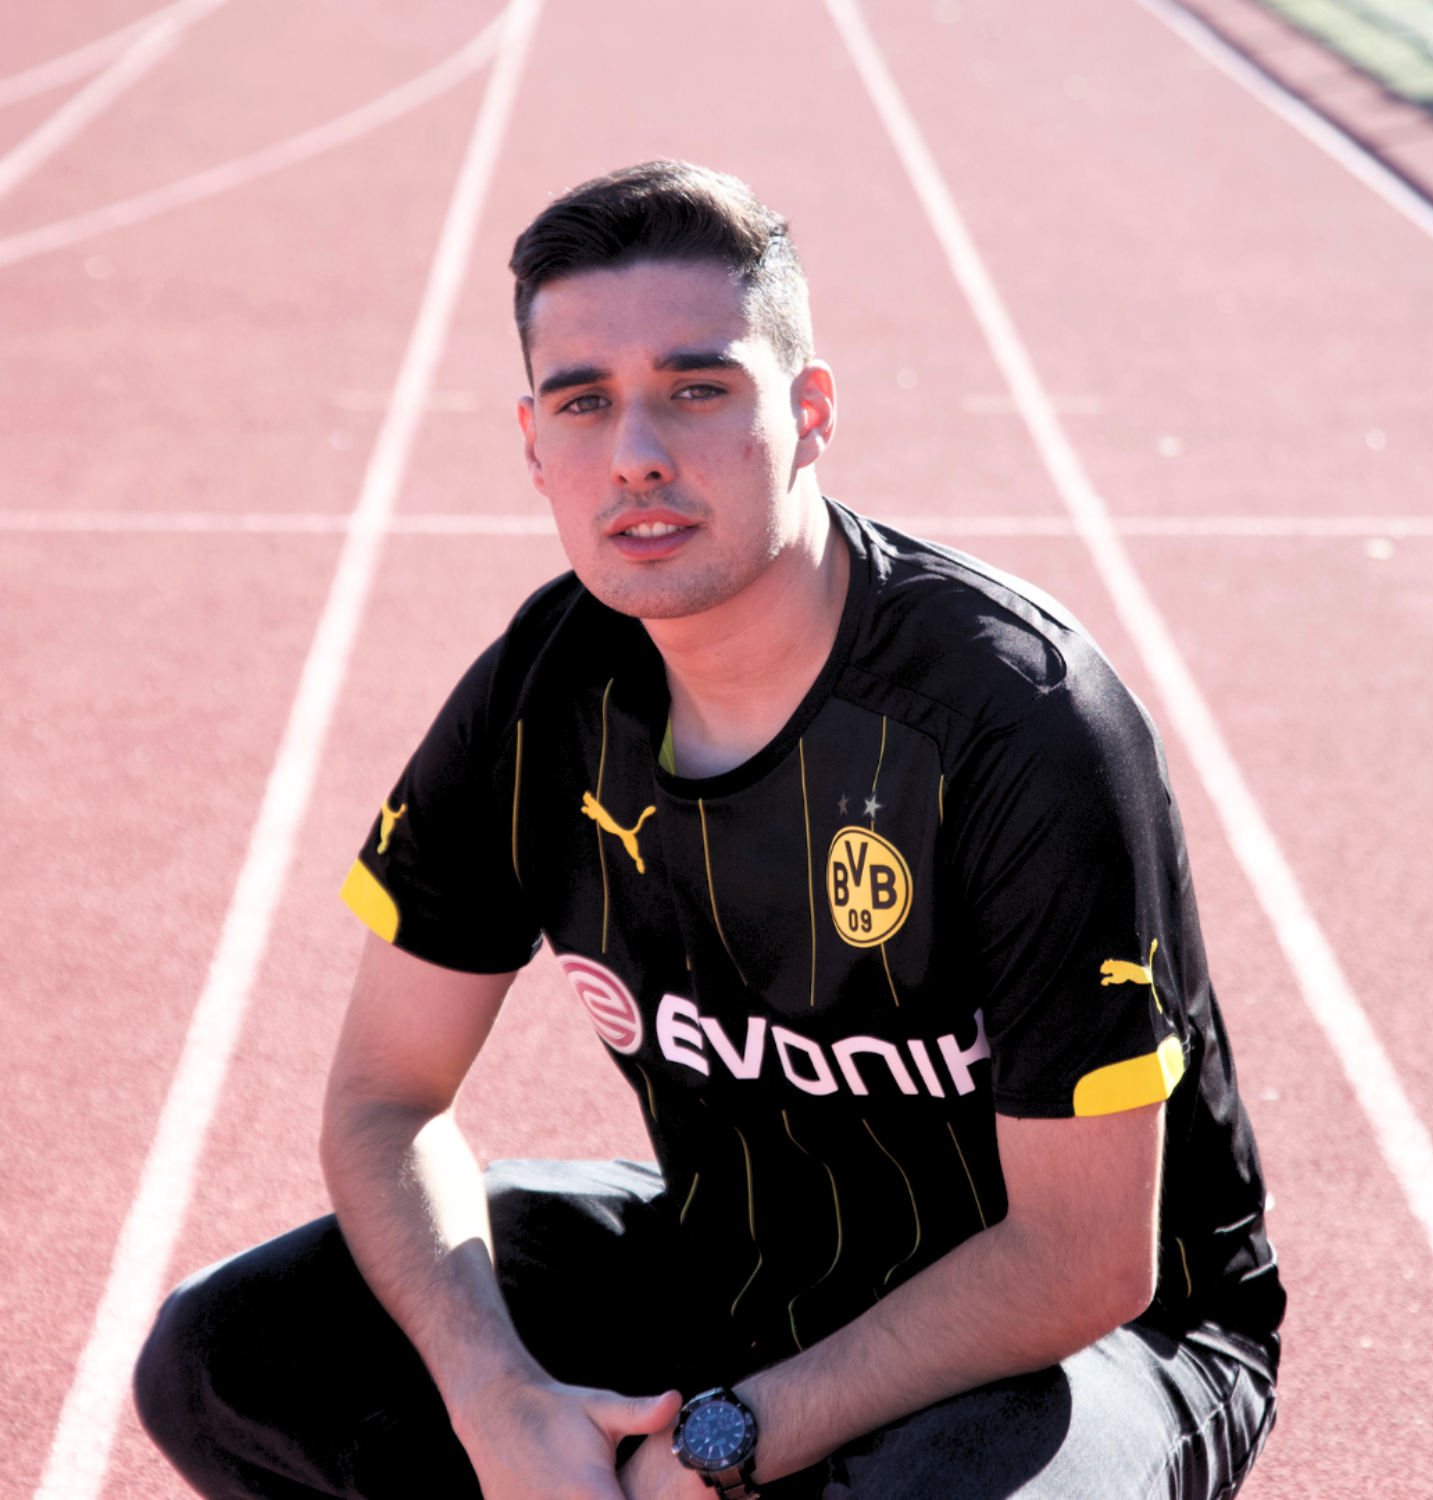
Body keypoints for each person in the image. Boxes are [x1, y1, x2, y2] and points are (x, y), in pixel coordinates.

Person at [135, 160, 1285, 1500]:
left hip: (1090, 1344)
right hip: (733, 1259)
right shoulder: (544, 691)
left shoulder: (1018, 723)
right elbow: (387, 1101)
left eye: (697, 388)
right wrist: (500, 1405)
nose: (637, 452)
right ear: (531, 445)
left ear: (809, 412)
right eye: (584, 403)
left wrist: (723, 1445)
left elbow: (1088, 1254)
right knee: (226, 1357)